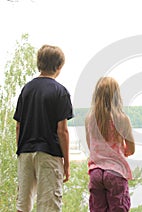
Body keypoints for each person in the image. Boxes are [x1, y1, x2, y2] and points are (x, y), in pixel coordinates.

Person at [13, 44, 73, 212]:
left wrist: (21, 151)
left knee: (22, 205)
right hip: (49, 154)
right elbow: (62, 131)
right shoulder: (60, 92)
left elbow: (19, 126)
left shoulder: (26, 89)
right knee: (49, 207)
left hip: (25, 152)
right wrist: (66, 164)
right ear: (59, 66)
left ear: (39, 63)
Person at [85, 77, 135, 212]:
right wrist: (121, 151)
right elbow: (131, 149)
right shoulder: (122, 119)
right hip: (115, 173)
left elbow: (91, 146)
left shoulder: (89, 119)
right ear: (117, 96)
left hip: (95, 173)